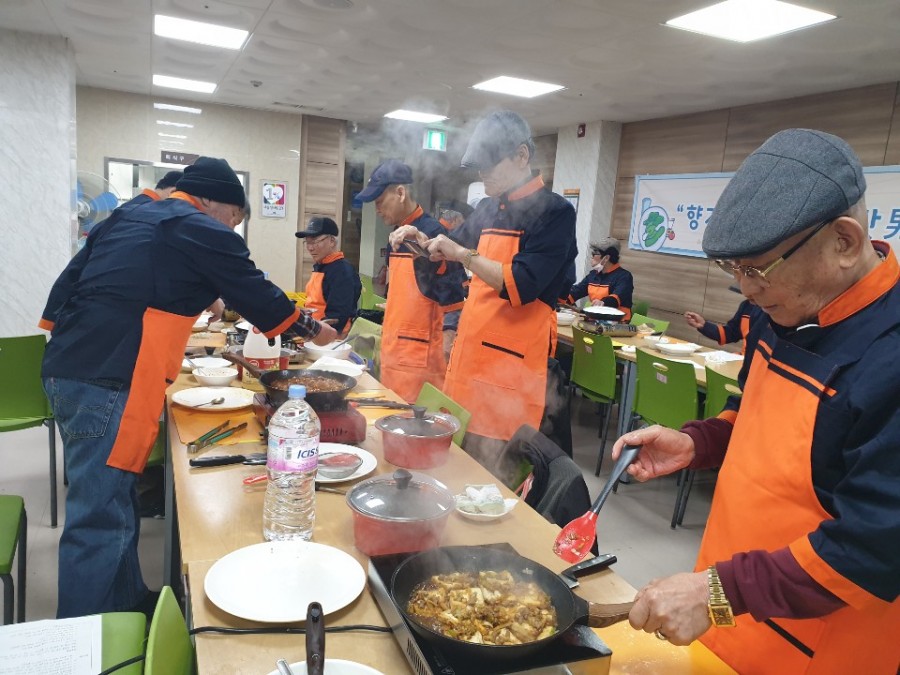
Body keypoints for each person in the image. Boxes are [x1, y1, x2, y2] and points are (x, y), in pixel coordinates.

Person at [611, 129, 900, 673]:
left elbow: (872, 549)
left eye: (757, 270)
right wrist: (698, 443)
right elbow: (755, 409)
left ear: (844, 241)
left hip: (819, 645)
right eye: (735, 270)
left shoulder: (890, 355)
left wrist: (718, 592)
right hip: (727, 609)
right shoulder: (781, 307)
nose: (746, 291)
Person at [39, 156, 337, 619]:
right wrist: (314, 331)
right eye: (234, 219)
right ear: (213, 203)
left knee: (116, 497)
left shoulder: (134, 213)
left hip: (72, 365)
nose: (231, 229)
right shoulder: (197, 225)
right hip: (108, 376)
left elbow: (70, 282)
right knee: (98, 516)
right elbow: (256, 291)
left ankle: (125, 605)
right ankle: (86, 639)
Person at [389, 110, 578, 465]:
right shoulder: (489, 209)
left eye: (489, 164)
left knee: (496, 478)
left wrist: (462, 254)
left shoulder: (555, 213)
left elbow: (522, 283)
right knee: (459, 468)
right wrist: (421, 241)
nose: (482, 174)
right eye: (478, 166)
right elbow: (445, 256)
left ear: (521, 155)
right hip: (467, 368)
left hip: (510, 378)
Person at [355, 160, 466, 402]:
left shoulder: (433, 234)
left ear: (401, 193)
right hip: (394, 354)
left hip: (421, 363)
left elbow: (454, 297)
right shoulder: (396, 235)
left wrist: (449, 343)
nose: (377, 209)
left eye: (379, 201)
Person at [295, 216, 361, 335]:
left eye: (315, 241)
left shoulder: (341, 271)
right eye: (307, 242)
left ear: (332, 241)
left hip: (330, 337)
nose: (310, 248)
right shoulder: (322, 265)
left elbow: (336, 318)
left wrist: (315, 333)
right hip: (313, 331)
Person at [567, 237, 633, 320]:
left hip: (618, 323)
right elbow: (577, 291)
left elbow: (616, 298)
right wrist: (561, 297)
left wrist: (602, 302)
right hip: (596, 320)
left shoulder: (624, 276)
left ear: (606, 258)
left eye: (594, 253)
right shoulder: (593, 275)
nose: (591, 256)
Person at [684, 288, 767, 354]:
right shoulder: (746, 305)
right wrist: (704, 325)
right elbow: (731, 333)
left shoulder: (772, 313)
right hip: (743, 361)